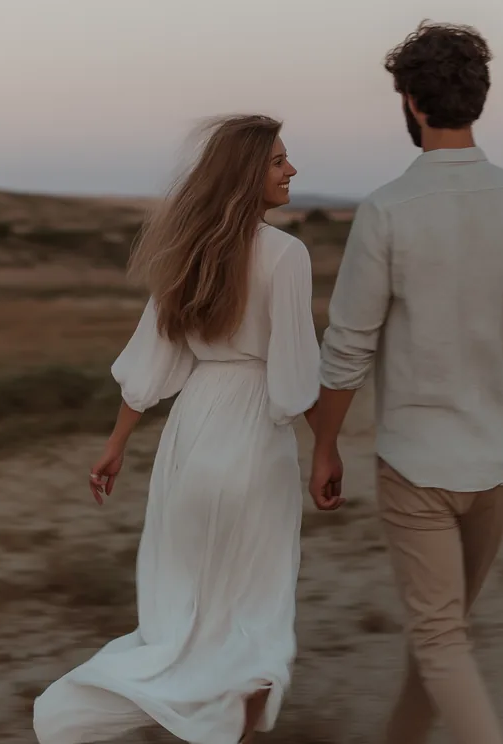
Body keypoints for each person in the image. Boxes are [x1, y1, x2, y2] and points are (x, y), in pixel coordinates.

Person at [308, 22, 503, 744]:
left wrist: (323, 447)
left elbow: (348, 346)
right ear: (476, 100)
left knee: (440, 639)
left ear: (413, 103)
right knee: (443, 633)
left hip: (418, 463)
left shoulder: (387, 209)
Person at [34, 115, 321, 744]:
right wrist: (326, 448)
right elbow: (297, 377)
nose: (291, 169)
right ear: (249, 175)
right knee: (255, 618)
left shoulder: (188, 254)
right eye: (278, 161)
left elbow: (153, 360)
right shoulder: (288, 255)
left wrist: (115, 446)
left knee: (186, 617)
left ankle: (144, 707)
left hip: (190, 435)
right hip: (251, 438)